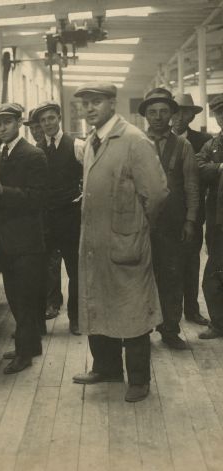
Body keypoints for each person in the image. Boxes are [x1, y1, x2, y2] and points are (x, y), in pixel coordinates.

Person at [72, 82, 168, 403]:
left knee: (132, 310)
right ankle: (107, 367)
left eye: (95, 102)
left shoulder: (133, 140)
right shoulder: (93, 140)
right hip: (95, 243)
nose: (88, 109)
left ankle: (139, 379)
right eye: (83, 104)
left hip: (125, 242)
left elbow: (155, 194)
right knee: (98, 303)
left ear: (113, 103)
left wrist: (136, 229)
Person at [0, 103, 47, 374]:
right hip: (8, 238)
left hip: (26, 240)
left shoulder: (33, 155)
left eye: (7, 122)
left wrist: (2, 190)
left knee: (24, 298)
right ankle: (30, 346)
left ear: (19, 123)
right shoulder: (3, 153)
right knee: (15, 296)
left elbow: (36, 199)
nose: (1, 128)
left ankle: (24, 354)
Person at [141, 88, 199, 350]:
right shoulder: (137, 142)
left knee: (171, 276)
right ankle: (140, 330)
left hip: (173, 223)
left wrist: (190, 220)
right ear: (145, 115)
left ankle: (170, 329)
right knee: (140, 276)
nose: (158, 116)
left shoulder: (183, 146)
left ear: (172, 115)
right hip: (140, 222)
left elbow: (191, 186)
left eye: (164, 111)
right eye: (152, 112)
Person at [35, 100, 84, 335]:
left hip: (71, 218)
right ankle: (44, 314)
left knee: (75, 270)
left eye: (51, 118)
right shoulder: (36, 149)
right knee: (43, 269)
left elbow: (91, 175)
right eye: (43, 120)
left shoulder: (76, 145)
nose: (48, 123)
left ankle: (76, 318)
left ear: (59, 118)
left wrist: (81, 198)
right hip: (46, 219)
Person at [172, 93, 212, 326]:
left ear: (191, 116)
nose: (178, 117)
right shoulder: (157, 140)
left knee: (191, 262)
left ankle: (192, 310)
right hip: (166, 213)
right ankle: (167, 315)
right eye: (175, 112)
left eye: (184, 112)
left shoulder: (204, 140)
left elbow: (205, 176)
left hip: (194, 213)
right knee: (165, 263)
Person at [25, 107, 63, 319]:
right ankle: (51, 301)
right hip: (42, 215)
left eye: (37, 127)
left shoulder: (58, 146)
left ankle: (54, 302)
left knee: (55, 260)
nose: (35, 131)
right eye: (32, 128)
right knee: (47, 261)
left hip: (62, 212)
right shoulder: (34, 150)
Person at [196, 94, 223, 339]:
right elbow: (199, 167)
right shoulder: (212, 145)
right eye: (219, 113)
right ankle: (218, 323)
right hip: (218, 219)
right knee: (215, 272)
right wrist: (220, 168)